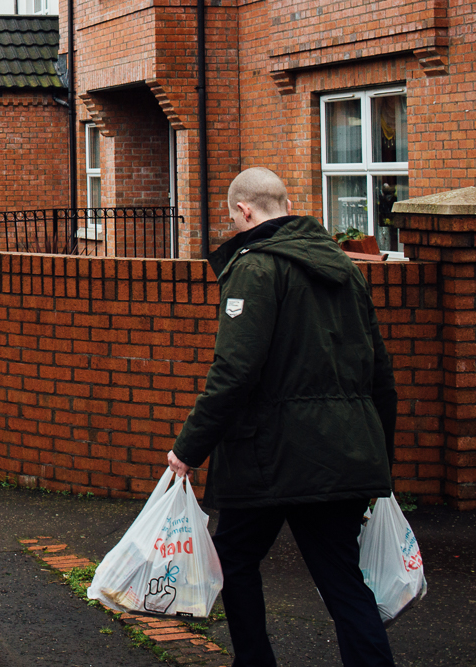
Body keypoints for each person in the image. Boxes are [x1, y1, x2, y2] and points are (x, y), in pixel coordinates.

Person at [167, 167, 399, 667]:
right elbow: (381, 372)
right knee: (342, 578)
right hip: (347, 454)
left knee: (234, 556)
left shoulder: (254, 269)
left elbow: (234, 371)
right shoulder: (344, 268)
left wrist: (188, 449)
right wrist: (380, 459)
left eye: (233, 217)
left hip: (268, 456)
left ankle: (254, 662)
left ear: (244, 212)